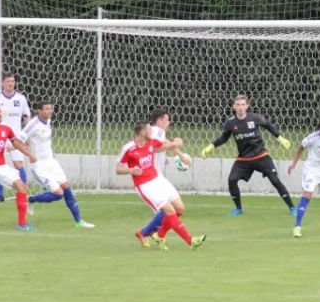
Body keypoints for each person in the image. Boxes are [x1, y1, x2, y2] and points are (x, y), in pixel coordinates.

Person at [200, 95, 296, 216]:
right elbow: (223, 138)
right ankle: (238, 209)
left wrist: (280, 138)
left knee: (275, 180)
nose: (240, 107)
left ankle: (292, 208)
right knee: (232, 180)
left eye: (243, 104)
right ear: (234, 106)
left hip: (261, 155)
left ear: (247, 106)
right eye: (238, 105)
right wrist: (211, 146)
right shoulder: (230, 123)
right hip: (243, 158)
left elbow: (269, 125)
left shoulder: (255, 118)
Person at [117, 120, 206, 251]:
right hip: (144, 184)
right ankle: (190, 240)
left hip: (158, 178)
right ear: (142, 132)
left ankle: (159, 235)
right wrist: (130, 170)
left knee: (180, 209)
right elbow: (118, 169)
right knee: (169, 210)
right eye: (149, 129)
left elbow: (165, 145)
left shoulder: (151, 141)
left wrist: (177, 145)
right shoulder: (128, 149)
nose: (152, 131)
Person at [19, 101, 94, 228]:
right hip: (39, 166)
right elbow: (17, 141)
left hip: (51, 162)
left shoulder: (47, 121)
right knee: (58, 194)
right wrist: (30, 154)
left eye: (51, 109)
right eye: (47, 109)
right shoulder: (33, 124)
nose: (50, 111)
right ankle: (31, 199)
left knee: (66, 187)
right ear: (39, 110)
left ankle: (79, 221)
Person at [135, 109, 193, 245]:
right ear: (160, 120)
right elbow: (155, 147)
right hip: (150, 178)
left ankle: (150, 233)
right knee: (168, 209)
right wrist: (177, 149)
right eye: (168, 120)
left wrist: (179, 154)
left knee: (178, 208)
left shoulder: (156, 132)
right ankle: (155, 234)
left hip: (157, 175)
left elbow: (160, 144)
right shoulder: (157, 130)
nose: (169, 122)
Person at [0, 105, 37, 229]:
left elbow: (16, 143)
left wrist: (29, 154)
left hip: (1, 166)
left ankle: (22, 224)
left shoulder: (6, 128)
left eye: (0, 111)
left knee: (22, 187)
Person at [0, 73, 31, 202]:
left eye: (12, 81)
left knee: (18, 164)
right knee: (0, 165)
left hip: (14, 137)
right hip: (0, 135)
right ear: (3, 83)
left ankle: (23, 192)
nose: (10, 83)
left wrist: (27, 134)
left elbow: (27, 117)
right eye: (8, 81)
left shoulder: (21, 98)